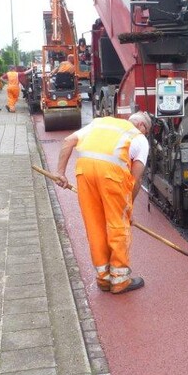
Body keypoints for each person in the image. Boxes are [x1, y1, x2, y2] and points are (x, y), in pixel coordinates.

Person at [54, 112, 152, 294]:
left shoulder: (99, 124)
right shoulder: (139, 138)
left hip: (84, 172)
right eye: (146, 131)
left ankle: (103, 278)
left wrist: (60, 173)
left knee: (95, 225)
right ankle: (120, 280)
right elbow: (136, 179)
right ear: (142, 126)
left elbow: (68, 141)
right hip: (112, 176)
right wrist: (127, 211)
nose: (145, 134)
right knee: (117, 225)